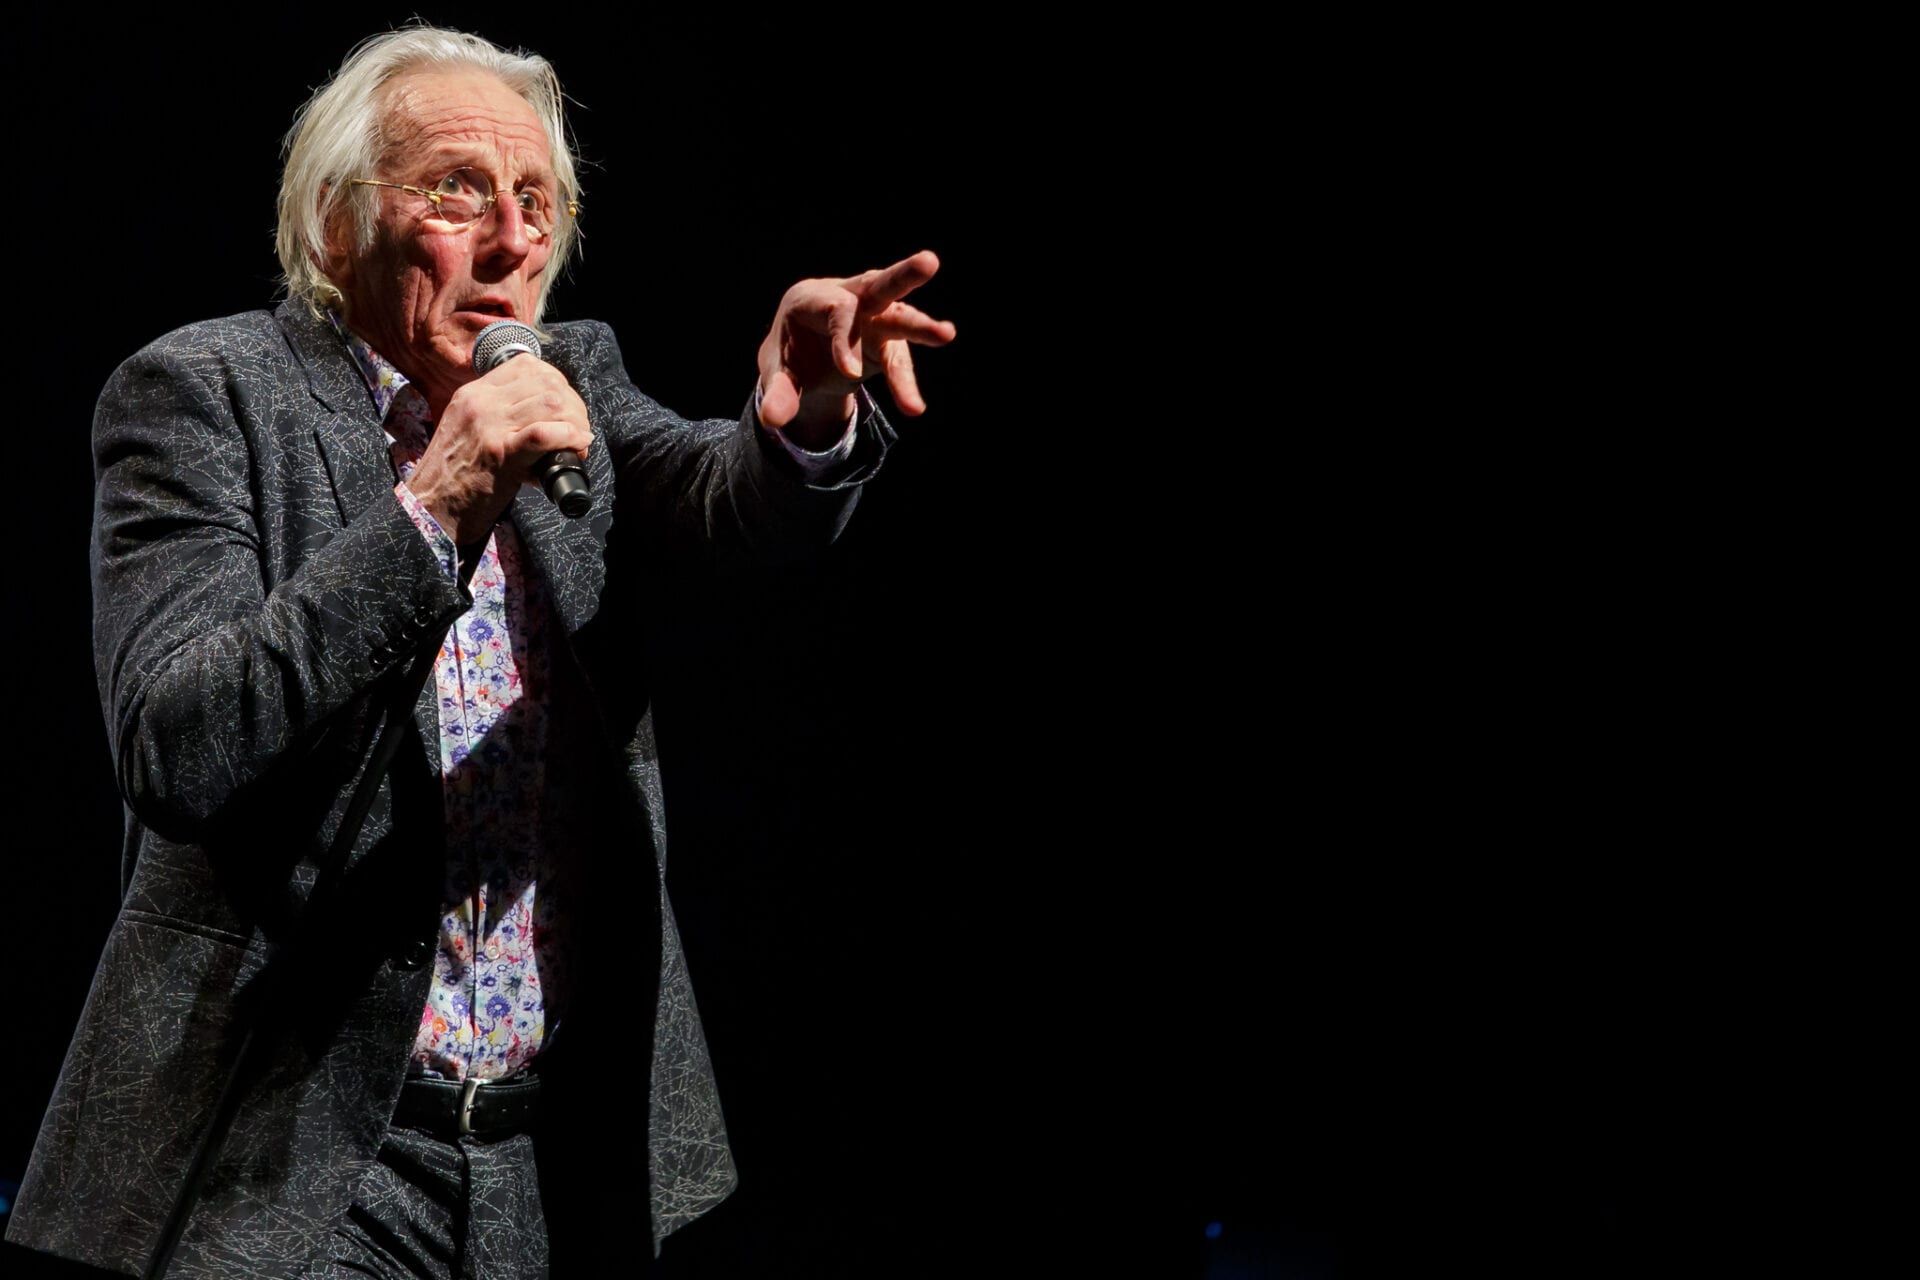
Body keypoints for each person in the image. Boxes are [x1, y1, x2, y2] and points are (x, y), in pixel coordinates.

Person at [3, 25, 952, 1280]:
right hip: (285, 1151)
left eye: (536, 202)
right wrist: (437, 502)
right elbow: (179, 741)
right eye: (457, 190)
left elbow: (721, 504)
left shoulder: (572, 379)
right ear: (337, 223)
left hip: (537, 1158)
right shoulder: (204, 394)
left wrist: (807, 417)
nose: (511, 241)